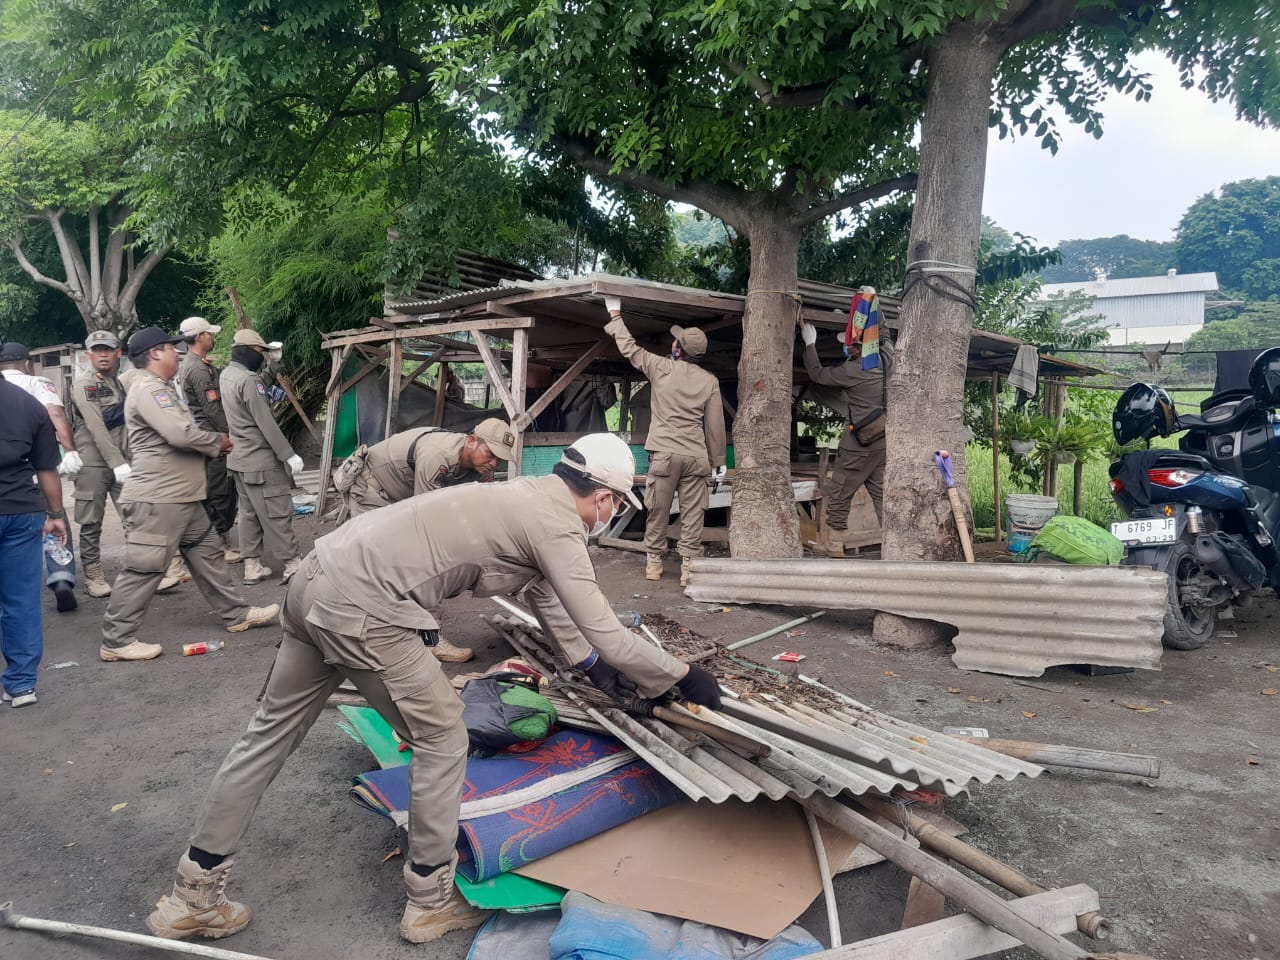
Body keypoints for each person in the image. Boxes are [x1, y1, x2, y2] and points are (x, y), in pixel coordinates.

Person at [146, 433, 722, 945]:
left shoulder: (524, 495)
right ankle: (429, 902)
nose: (611, 514)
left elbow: (559, 612)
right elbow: (604, 629)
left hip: (314, 580)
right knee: (444, 738)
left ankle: (192, 896)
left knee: (266, 737)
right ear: (604, 497)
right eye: (616, 506)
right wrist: (684, 677)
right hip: (364, 609)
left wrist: (599, 670)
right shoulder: (558, 525)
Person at [99, 327, 280, 662]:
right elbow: (180, 434)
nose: (177, 354)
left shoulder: (159, 387)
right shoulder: (150, 389)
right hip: (159, 499)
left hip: (181, 497)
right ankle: (117, 638)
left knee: (209, 555)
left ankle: (236, 614)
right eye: (171, 348)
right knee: (145, 568)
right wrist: (218, 443)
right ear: (154, 353)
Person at [336, 418, 515, 663]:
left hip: (401, 497)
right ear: (472, 441)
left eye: (500, 459)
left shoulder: (481, 468)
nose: (494, 463)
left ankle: (401, 634)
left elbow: (475, 510)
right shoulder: (438, 456)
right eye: (491, 454)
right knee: (403, 563)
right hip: (372, 491)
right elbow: (426, 526)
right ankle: (371, 637)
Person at [603, 303, 727, 586]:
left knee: (658, 509)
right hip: (696, 456)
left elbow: (629, 349)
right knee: (694, 513)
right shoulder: (710, 382)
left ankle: (654, 564)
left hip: (664, 454)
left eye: (676, 340)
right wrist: (718, 462)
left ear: (678, 349)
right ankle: (688, 568)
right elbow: (715, 426)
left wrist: (615, 315)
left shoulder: (661, 368)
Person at [0, 376, 69, 708]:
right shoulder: (28, 404)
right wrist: (55, 513)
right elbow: (46, 469)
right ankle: (21, 685)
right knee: (21, 600)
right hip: (22, 512)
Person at [799, 319, 894, 557]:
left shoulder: (854, 369)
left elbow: (817, 374)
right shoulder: (886, 359)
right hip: (882, 440)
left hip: (858, 443)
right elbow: (886, 337)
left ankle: (834, 544)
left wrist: (810, 345)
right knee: (881, 492)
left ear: (860, 348)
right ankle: (894, 542)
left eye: (850, 344)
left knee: (840, 491)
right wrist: (873, 306)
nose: (846, 347)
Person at [2, 341, 83, 610]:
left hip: (10, 482)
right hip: (38, 472)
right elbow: (56, 414)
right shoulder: (37, 384)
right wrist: (69, 450)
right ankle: (61, 577)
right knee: (55, 519)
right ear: (27, 363)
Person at [220, 329, 302, 585]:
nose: (263, 356)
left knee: (248, 514)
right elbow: (265, 422)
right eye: (261, 352)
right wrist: (288, 455)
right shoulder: (248, 380)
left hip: (239, 461)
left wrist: (274, 363)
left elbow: (255, 392)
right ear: (248, 351)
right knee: (277, 511)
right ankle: (292, 563)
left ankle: (251, 565)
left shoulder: (228, 375)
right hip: (261, 462)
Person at [68, 330, 130, 599]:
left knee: (134, 515)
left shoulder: (117, 382)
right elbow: (95, 426)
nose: (103, 354)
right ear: (88, 354)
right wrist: (117, 462)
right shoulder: (85, 384)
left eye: (108, 349)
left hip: (120, 462)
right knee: (91, 522)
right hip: (94, 463)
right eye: (97, 349)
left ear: (117, 353)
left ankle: (142, 571)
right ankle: (93, 574)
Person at [176, 316, 240, 564]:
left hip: (210, 437)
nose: (213, 337)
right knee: (218, 492)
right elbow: (212, 410)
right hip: (213, 439)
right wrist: (229, 435)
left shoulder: (201, 365)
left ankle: (217, 542)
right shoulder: (197, 369)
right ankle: (217, 546)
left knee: (220, 492)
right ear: (200, 336)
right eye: (209, 334)